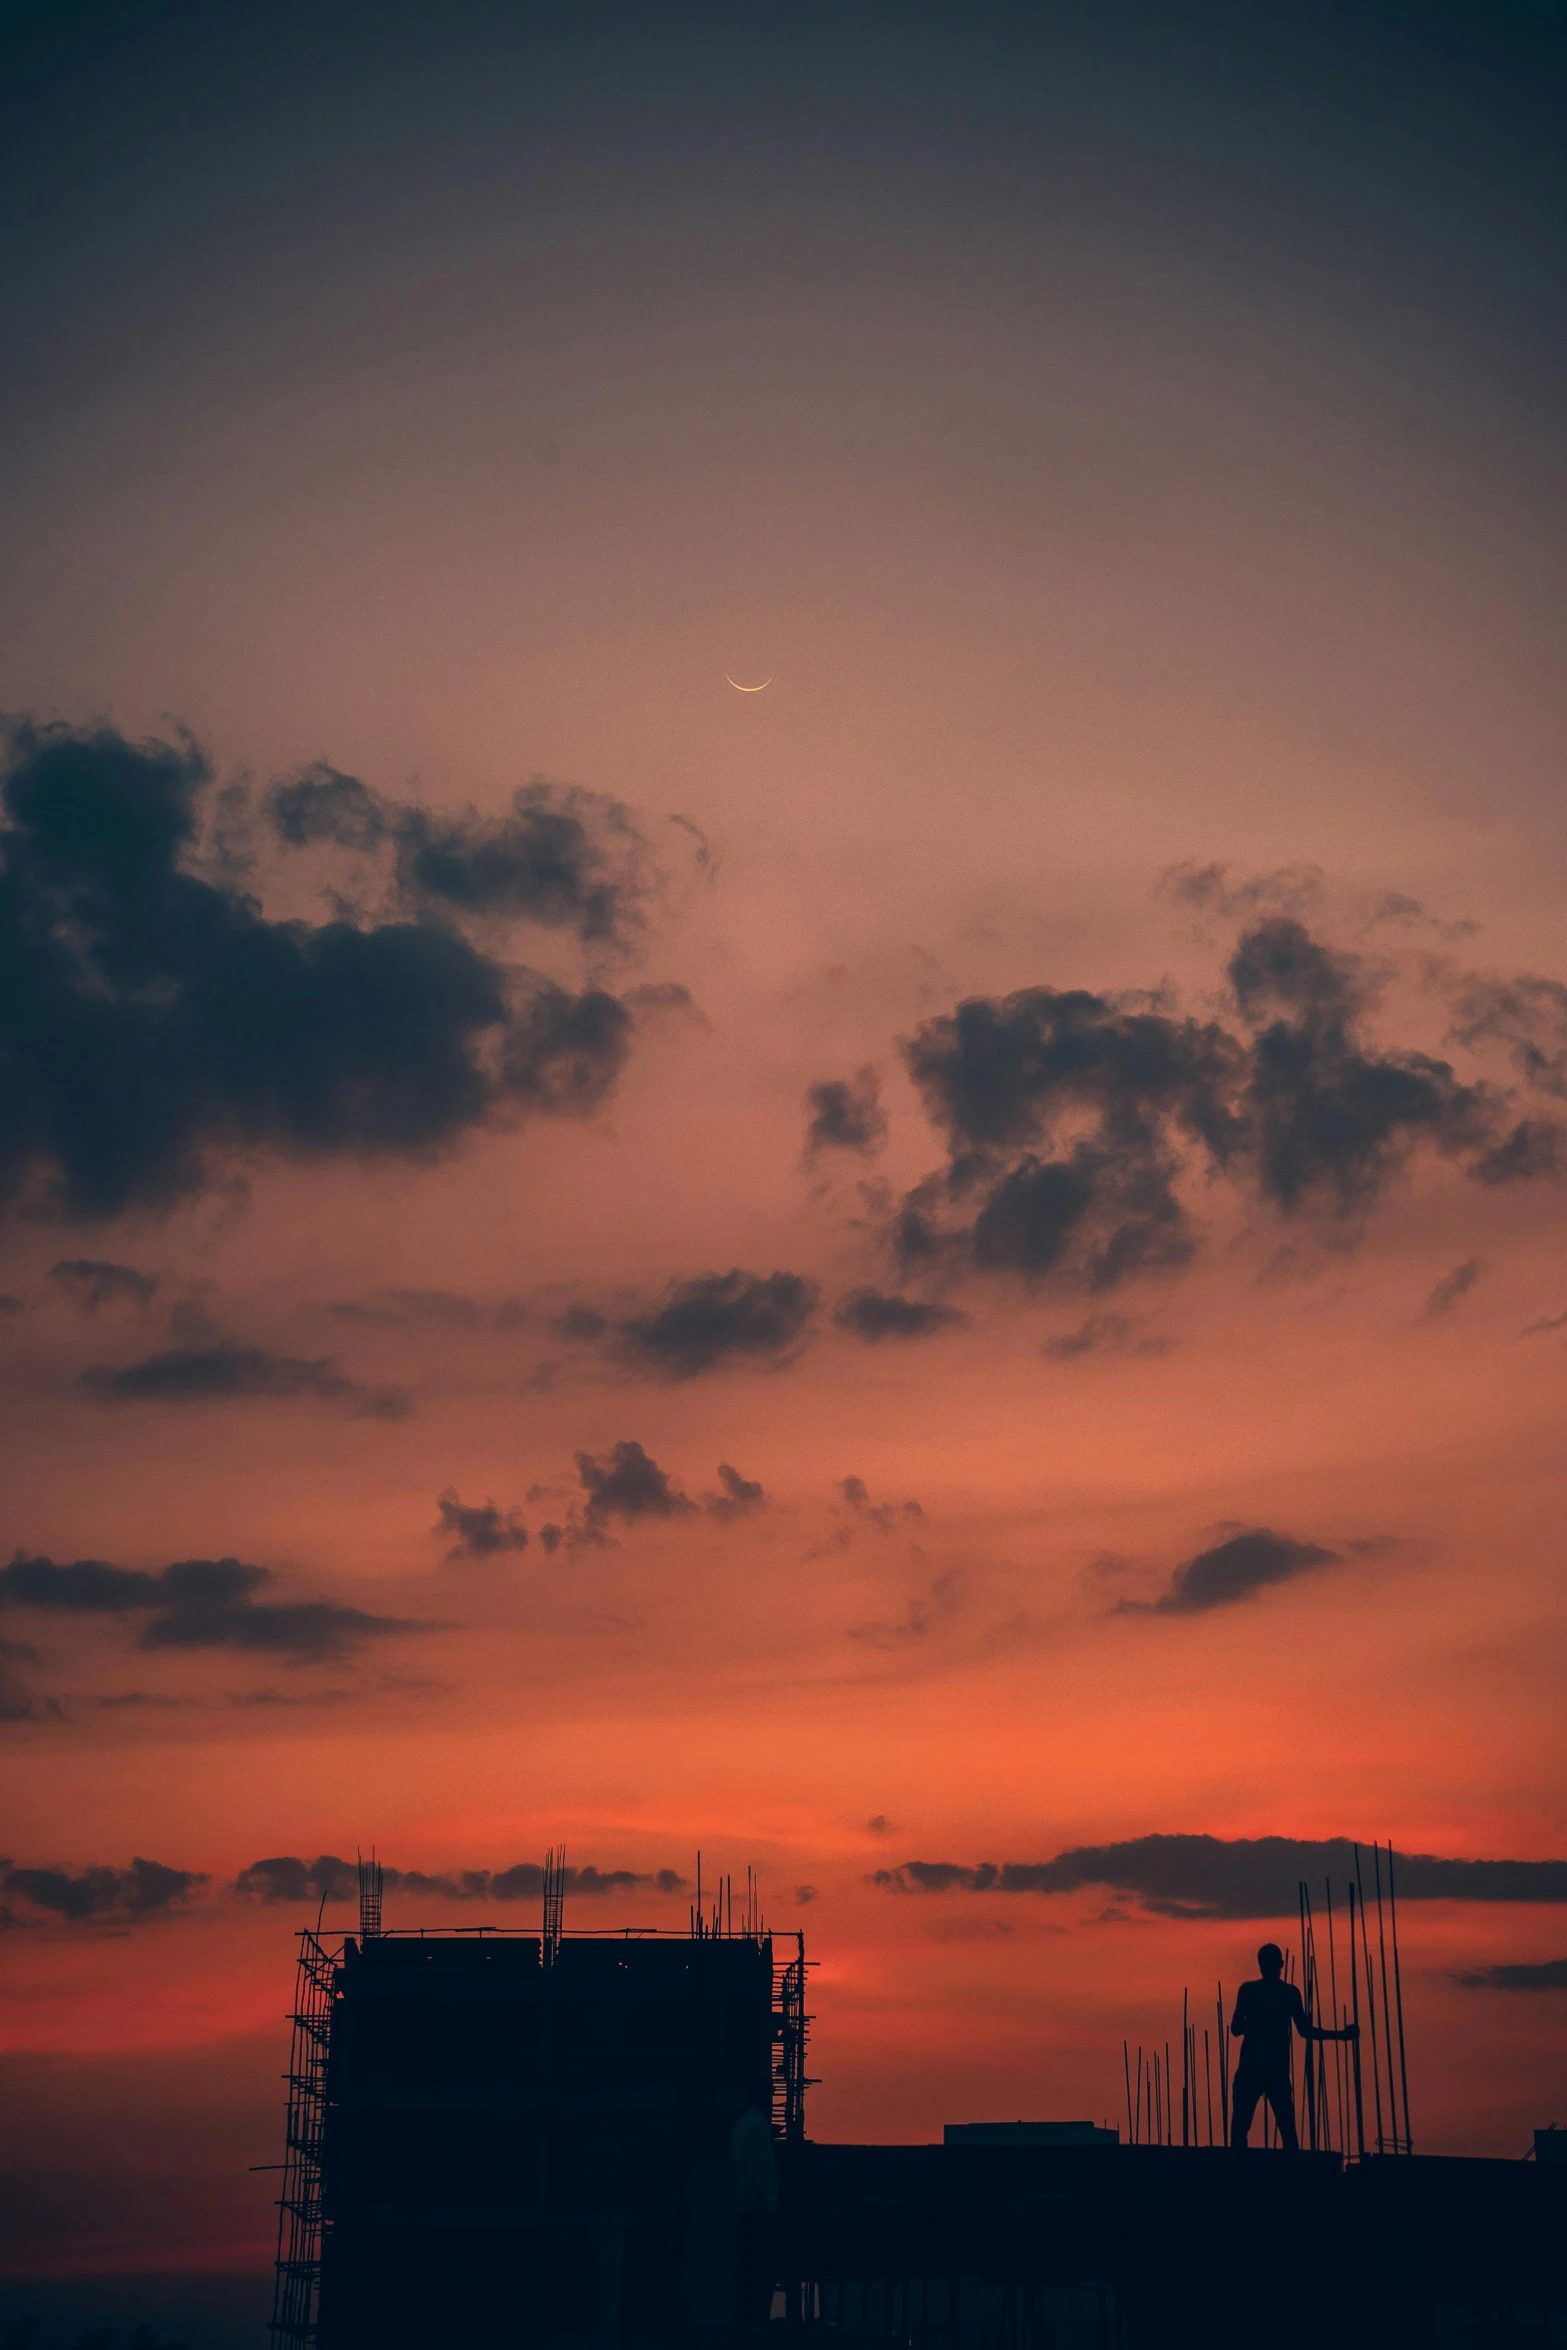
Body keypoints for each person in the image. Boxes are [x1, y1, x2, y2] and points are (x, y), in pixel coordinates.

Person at [1229, 1942, 1358, 2150]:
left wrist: (1341, 2035)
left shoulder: (1280, 1993)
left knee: (1283, 2130)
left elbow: (1305, 2030)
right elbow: (1235, 2028)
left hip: (1268, 2071)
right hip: (1257, 2070)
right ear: (1280, 1964)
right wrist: (1341, 2035)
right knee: (1256, 2130)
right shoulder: (1264, 1992)